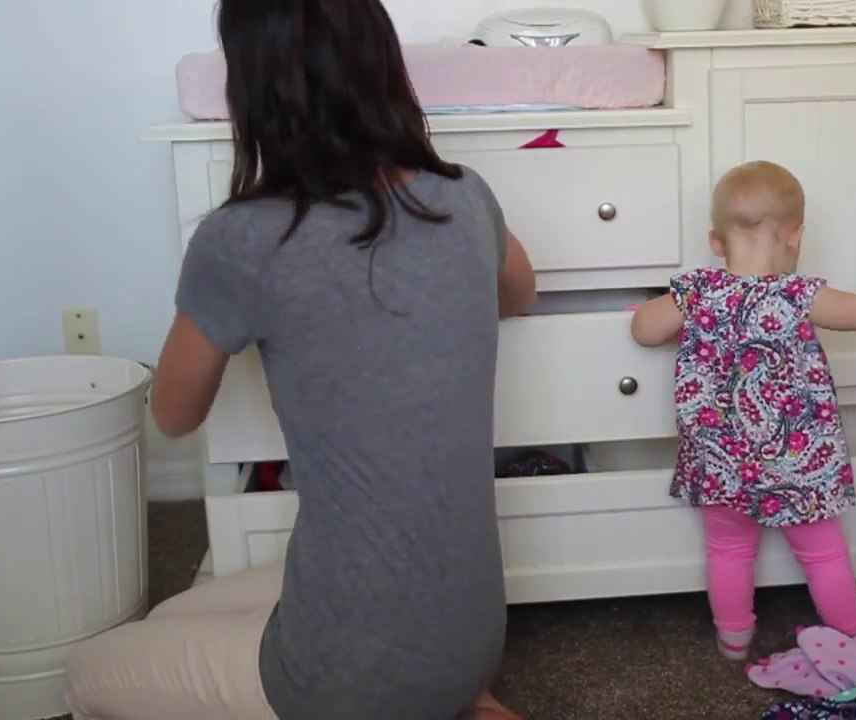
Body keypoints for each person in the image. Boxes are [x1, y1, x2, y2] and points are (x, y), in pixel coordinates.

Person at [63, 1, 536, 718]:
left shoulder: (243, 239)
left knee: (89, 672)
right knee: (174, 620)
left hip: (346, 679)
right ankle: (460, 701)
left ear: (254, 87)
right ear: (382, 67)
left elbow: (174, 416)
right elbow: (520, 293)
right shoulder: (466, 197)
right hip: (474, 637)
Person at [630, 161, 856, 660]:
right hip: (798, 459)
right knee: (823, 552)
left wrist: (675, 311)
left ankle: (734, 639)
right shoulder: (796, 294)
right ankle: (853, 640)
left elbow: (643, 329)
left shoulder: (696, 291)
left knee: (728, 551)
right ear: (795, 236)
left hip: (720, 459)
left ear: (717, 242)